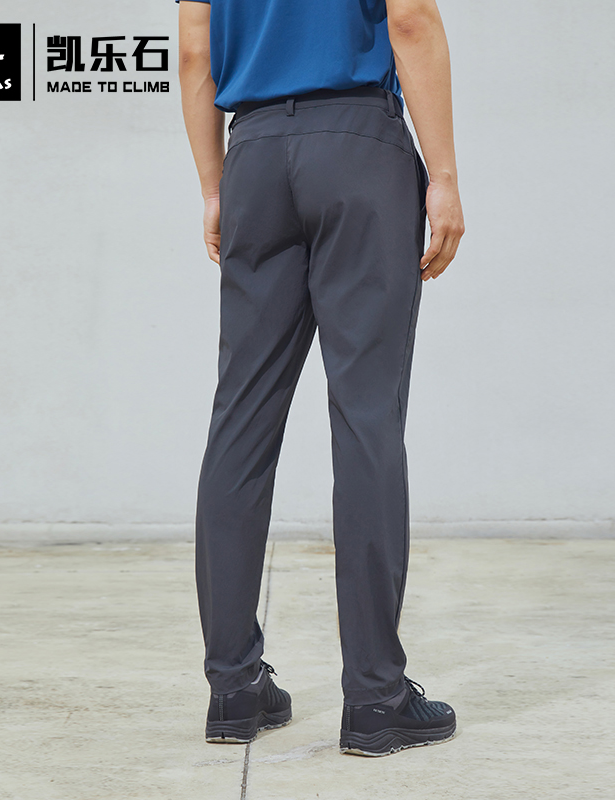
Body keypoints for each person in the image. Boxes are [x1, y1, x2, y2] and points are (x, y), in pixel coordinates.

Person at [177, 0, 465, 757]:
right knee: (367, 417)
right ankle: (375, 698)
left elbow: (195, 51)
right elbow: (410, 19)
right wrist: (443, 177)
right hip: (358, 144)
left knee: (240, 418)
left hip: (253, 154)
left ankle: (233, 688)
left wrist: (214, 187)